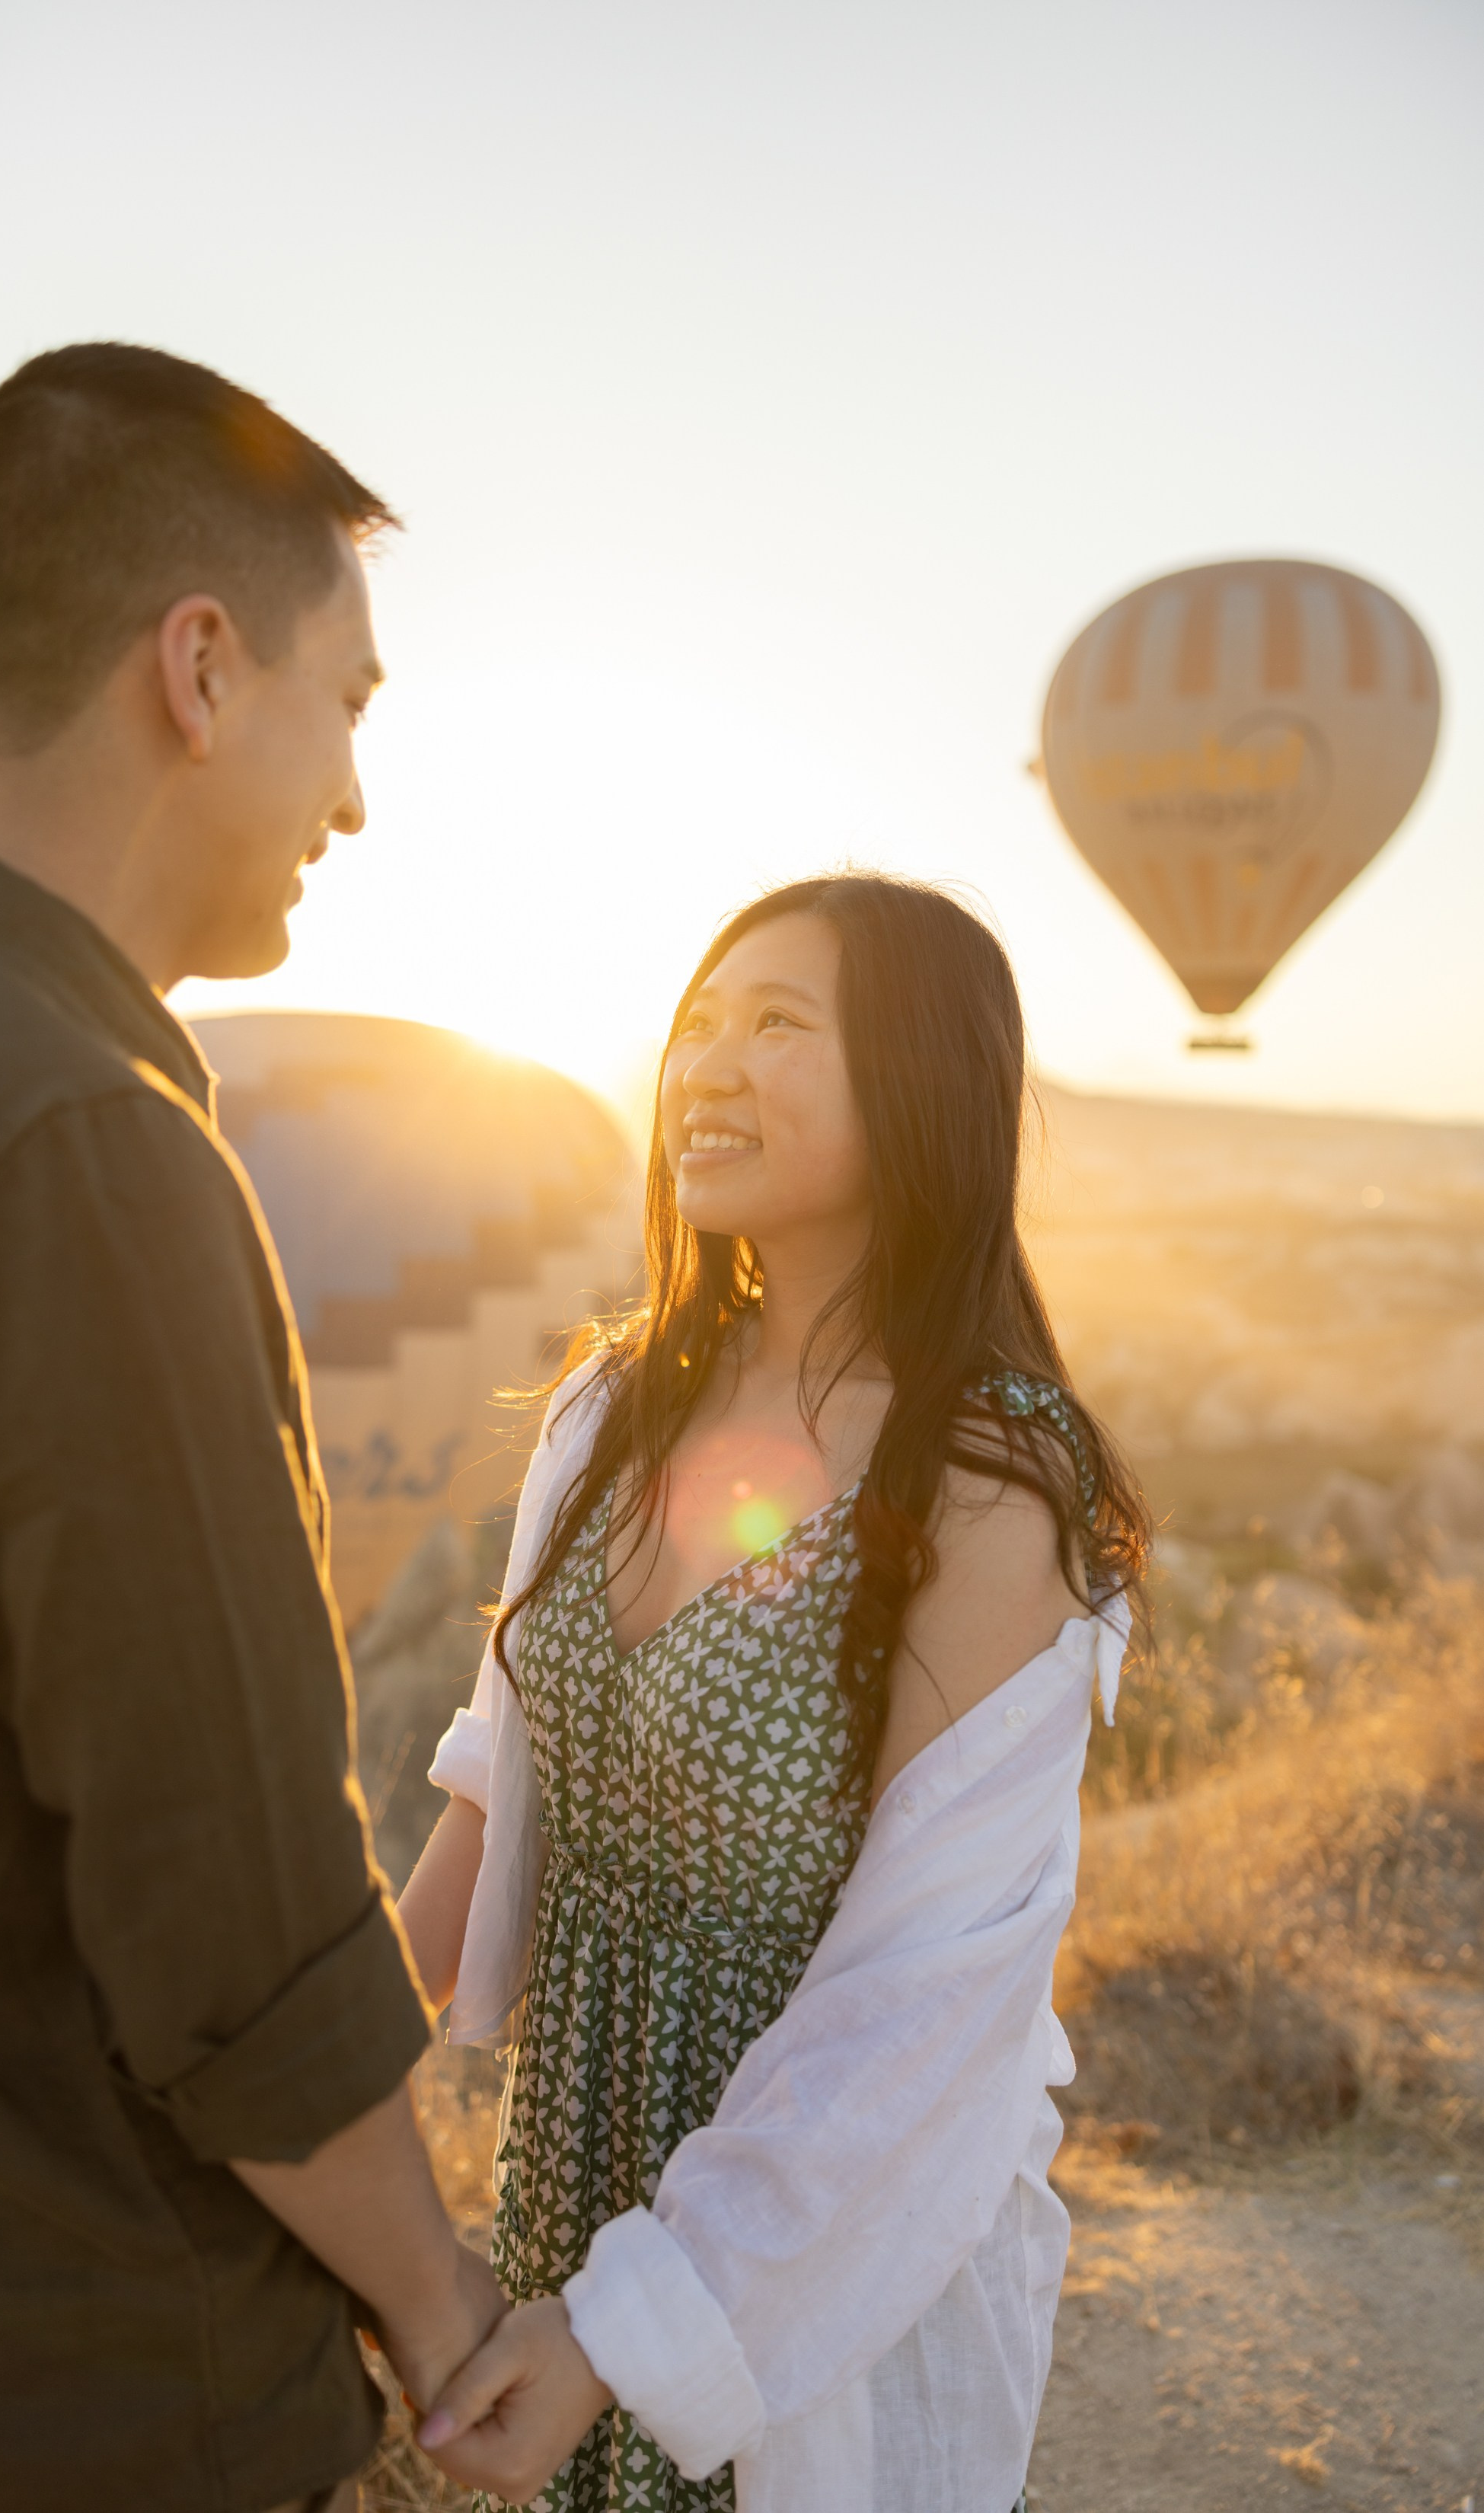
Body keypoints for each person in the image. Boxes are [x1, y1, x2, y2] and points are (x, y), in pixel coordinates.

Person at [0, 343, 506, 2513]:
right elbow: (238, 1923)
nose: (361, 797)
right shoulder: (76, 1143)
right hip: (88, 2387)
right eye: (352, 703)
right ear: (200, 670)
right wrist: (446, 2308)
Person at [397, 873, 1148, 2513]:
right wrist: (317, 2099)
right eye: (697, 1025)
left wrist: (628, 2328)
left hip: (821, 2241)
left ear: (917, 1082)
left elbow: (928, 1990)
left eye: (779, 1026)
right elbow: (497, 1776)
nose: (708, 1068)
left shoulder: (989, 1471)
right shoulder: (607, 1411)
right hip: (574, 2180)